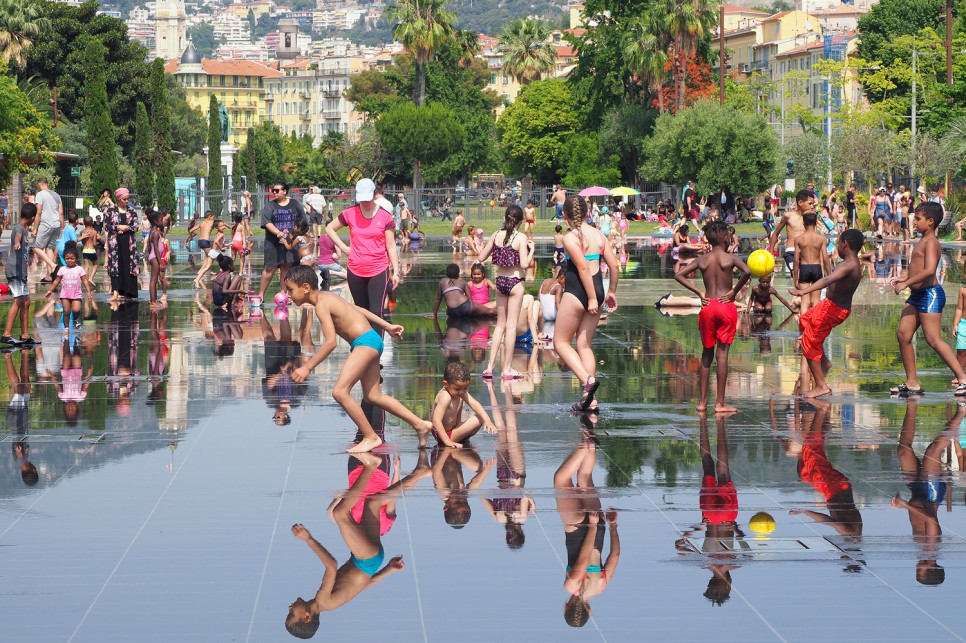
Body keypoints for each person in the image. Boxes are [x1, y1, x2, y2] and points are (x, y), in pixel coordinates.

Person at [284, 265, 432, 453]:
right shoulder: (328, 297)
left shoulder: (322, 305)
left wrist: (307, 367)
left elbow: (330, 343)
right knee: (373, 396)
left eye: (290, 290)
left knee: (340, 392)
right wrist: (387, 325)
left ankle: (370, 436)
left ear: (305, 287)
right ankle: (420, 424)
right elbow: (359, 309)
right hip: (371, 340)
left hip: (365, 344)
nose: (288, 294)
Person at [285, 472, 413, 637]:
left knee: (373, 502)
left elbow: (365, 584)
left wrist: (389, 569)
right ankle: (370, 465)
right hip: (366, 558)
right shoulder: (323, 600)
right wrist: (308, 539)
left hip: (371, 561)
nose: (289, 608)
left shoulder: (330, 604)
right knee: (340, 513)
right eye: (291, 614)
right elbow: (331, 565)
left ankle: (418, 473)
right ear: (307, 617)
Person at [674, 221, 752, 413]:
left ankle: (702, 403)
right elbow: (748, 271)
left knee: (706, 353)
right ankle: (720, 403)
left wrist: (699, 292)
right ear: (726, 237)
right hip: (725, 306)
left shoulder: (703, 259)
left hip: (708, 306)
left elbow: (678, 275)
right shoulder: (730, 258)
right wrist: (734, 292)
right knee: (722, 354)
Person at [890, 202, 966, 397]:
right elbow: (916, 267)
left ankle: (963, 379)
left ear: (930, 222)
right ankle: (912, 382)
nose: (914, 222)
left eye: (918, 219)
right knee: (903, 335)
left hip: (930, 294)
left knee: (933, 339)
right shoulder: (923, 240)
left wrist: (906, 284)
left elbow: (930, 270)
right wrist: (903, 277)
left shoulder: (932, 242)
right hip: (917, 296)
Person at [554, 196, 619, 412]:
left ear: (564, 215)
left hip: (577, 292)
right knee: (584, 345)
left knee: (560, 343)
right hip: (599, 289)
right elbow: (614, 266)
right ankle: (590, 398)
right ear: (588, 213)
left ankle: (586, 380)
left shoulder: (570, 238)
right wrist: (610, 292)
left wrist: (591, 297)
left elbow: (582, 269)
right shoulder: (599, 235)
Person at [553, 424, 620, 628]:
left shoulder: (600, 586)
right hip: (579, 527)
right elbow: (582, 560)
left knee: (585, 478)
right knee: (561, 479)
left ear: (589, 611)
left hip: (598, 527)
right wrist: (590, 527)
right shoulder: (571, 586)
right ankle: (586, 443)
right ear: (566, 608)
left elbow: (615, 556)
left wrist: (612, 526)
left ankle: (590, 440)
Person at [890, 397, 958, 585]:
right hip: (931, 492)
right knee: (933, 450)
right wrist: (904, 505)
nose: (917, 567)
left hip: (916, 491)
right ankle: (962, 410)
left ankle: (912, 405)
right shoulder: (932, 547)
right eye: (920, 571)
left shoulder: (923, 550)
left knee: (903, 450)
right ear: (931, 568)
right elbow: (930, 518)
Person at [790, 229, 865, 398]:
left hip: (833, 310)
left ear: (844, 244)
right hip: (828, 306)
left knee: (809, 342)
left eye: (838, 242)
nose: (837, 246)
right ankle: (824, 363)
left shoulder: (849, 265)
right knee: (805, 321)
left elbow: (827, 280)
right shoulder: (849, 261)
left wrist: (804, 291)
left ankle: (821, 386)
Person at [326, 178, 399, 332]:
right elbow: (330, 228)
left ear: (374, 194)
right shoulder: (350, 213)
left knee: (376, 313)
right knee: (360, 312)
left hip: (378, 270)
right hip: (355, 270)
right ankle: (365, 347)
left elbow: (391, 245)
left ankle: (376, 350)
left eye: (368, 199)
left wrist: (396, 271)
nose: (365, 203)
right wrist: (344, 248)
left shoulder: (385, 216)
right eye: (362, 200)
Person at [478, 205, 535, 380]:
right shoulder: (521, 237)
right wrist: (532, 250)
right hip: (516, 281)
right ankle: (507, 368)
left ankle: (489, 367)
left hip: (500, 281)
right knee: (511, 326)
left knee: (500, 325)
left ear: (505, 217)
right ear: (520, 221)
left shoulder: (496, 235)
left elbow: (481, 257)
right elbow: (525, 265)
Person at [429, 361, 496, 449]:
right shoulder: (445, 397)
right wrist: (447, 441)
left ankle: (461, 437)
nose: (461, 391)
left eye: (465, 388)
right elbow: (436, 420)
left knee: (481, 417)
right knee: (477, 420)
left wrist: (487, 420)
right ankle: (456, 438)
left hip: (452, 431)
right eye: (457, 389)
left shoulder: (460, 392)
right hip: (443, 435)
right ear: (446, 384)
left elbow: (475, 404)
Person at [258, 181, 305, 303]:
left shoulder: (295, 204)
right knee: (269, 268)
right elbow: (266, 222)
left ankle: (283, 295)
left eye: (277, 190)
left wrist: (301, 234)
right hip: (273, 243)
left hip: (289, 242)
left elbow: (303, 220)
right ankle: (260, 295)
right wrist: (278, 232)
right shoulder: (270, 206)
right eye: (273, 190)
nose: (274, 193)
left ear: (285, 191)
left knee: (286, 268)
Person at [1, 204, 39, 346]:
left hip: (20, 272)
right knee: (18, 301)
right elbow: (17, 237)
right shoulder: (19, 229)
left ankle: (25, 336)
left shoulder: (24, 230)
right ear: (33, 218)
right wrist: (17, 243)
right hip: (15, 271)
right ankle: (6, 334)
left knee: (26, 301)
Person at [44, 243, 94, 331]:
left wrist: (88, 291)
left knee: (76, 310)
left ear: (76, 259)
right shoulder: (62, 269)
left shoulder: (79, 269)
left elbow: (84, 280)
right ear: (64, 259)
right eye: (67, 258)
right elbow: (56, 280)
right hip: (65, 294)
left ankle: (76, 319)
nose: (69, 260)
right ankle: (66, 328)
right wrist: (50, 290)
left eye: (72, 258)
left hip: (76, 294)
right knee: (66, 311)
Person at [104, 187, 140, 301]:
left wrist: (126, 228)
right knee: (115, 266)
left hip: (129, 243)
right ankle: (115, 292)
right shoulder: (110, 211)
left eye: (127, 199)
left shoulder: (131, 211)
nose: (126, 201)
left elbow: (136, 226)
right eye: (124, 199)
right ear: (119, 199)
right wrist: (117, 227)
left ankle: (128, 293)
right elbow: (107, 226)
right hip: (115, 243)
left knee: (128, 266)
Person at [793, 210, 831, 316]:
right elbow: (825, 258)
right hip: (816, 268)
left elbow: (796, 260)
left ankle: (803, 327)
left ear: (804, 223)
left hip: (804, 268)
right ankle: (815, 327)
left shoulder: (798, 239)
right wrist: (830, 275)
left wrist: (795, 277)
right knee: (815, 301)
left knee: (805, 301)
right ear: (815, 223)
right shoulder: (821, 238)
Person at [770, 189, 814, 272]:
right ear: (800, 203)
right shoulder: (789, 216)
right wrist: (771, 254)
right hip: (791, 252)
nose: (812, 207)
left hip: (806, 252)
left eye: (813, 204)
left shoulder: (810, 218)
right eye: (810, 204)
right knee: (796, 274)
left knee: (807, 278)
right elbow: (775, 234)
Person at [31, 177, 63, 281]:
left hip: (46, 224)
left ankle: (53, 265)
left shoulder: (40, 194)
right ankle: (51, 274)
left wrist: (35, 228)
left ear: (40, 184)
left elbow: (38, 212)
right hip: (56, 224)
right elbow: (61, 212)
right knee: (49, 248)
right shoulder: (57, 195)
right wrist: (62, 227)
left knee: (35, 247)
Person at [193, 219, 228, 288]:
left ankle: (197, 279)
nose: (223, 227)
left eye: (224, 225)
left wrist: (228, 244)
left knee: (207, 267)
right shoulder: (221, 234)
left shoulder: (218, 233)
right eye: (221, 226)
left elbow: (220, 243)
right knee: (225, 265)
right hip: (216, 253)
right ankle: (220, 279)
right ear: (217, 228)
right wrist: (221, 249)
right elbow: (216, 242)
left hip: (212, 252)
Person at [144, 210, 166, 307]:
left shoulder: (152, 232)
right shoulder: (156, 233)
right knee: (153, 280)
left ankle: (154, 299)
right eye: (161, 220)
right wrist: (160, 262)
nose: (162, 221)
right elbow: (156, 249)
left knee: (155, 280)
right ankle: (153, 301)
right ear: (155, 221)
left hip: (153, 257)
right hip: (155, 258)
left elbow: (149, 246)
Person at [79, 215, 100, 284]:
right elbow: (94, 243)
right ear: (92, 223)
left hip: (85, 250)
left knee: (86, 266)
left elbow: (82, 242)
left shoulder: (82, 232)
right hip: (92, 250)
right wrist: (98, 242)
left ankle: (85, 280)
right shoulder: (94, 232)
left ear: (84, 223)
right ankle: (91, 278)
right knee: (96, 264)